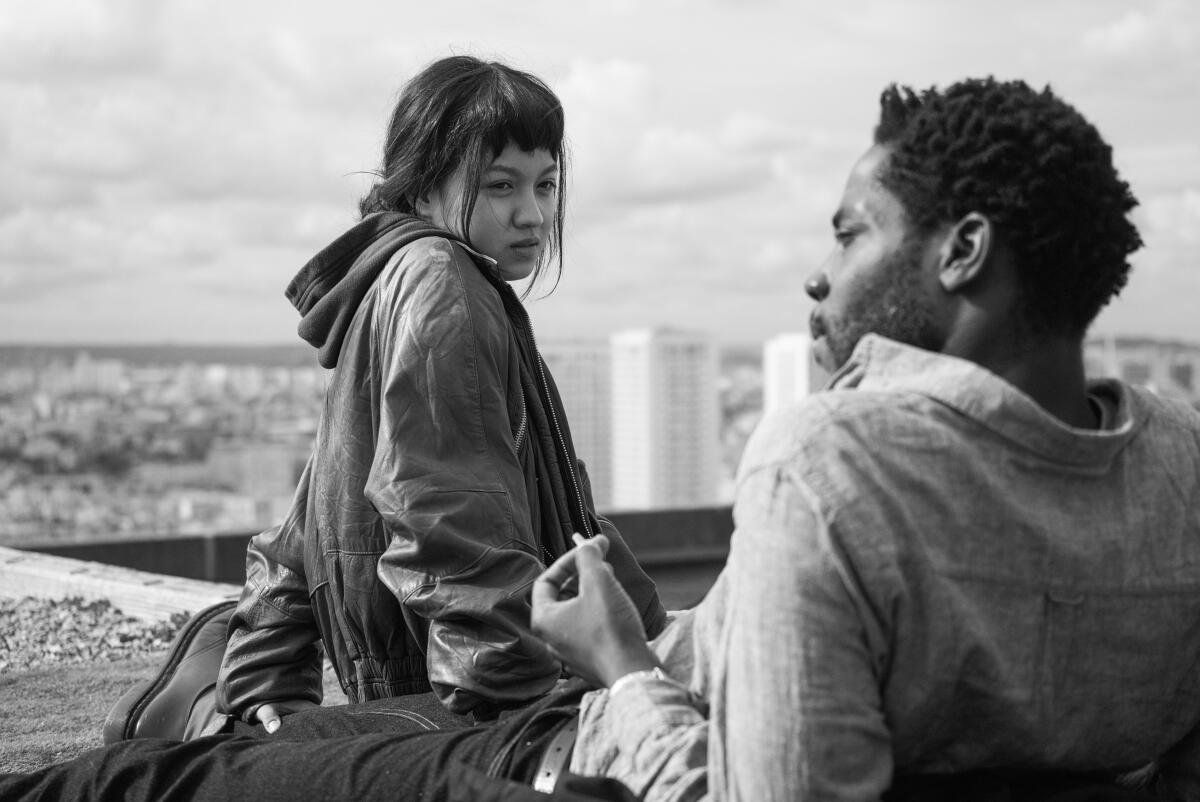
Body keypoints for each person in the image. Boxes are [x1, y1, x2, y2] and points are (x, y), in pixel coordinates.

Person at [7, 77, 1198, 802]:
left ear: (963, 250)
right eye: (504, 186)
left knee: (138, 788)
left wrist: (617, 665)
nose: (816, 272)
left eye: (851, 233)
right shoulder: (1183, 464)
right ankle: (243, 697)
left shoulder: (836, 470)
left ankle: (230, 709)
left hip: (568, 742)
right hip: (591, 692)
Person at [104, 54, 666, 743]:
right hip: (458, 686)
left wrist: (262, 669)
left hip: (464, 666)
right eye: (500, 186)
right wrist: (516, 708)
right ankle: (203, 709)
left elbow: (325, 491)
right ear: (423, 190)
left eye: (545, 185)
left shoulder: (415, 278)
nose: (533, 215)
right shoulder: (442, 284)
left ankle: (205, 702)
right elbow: (445, 514)